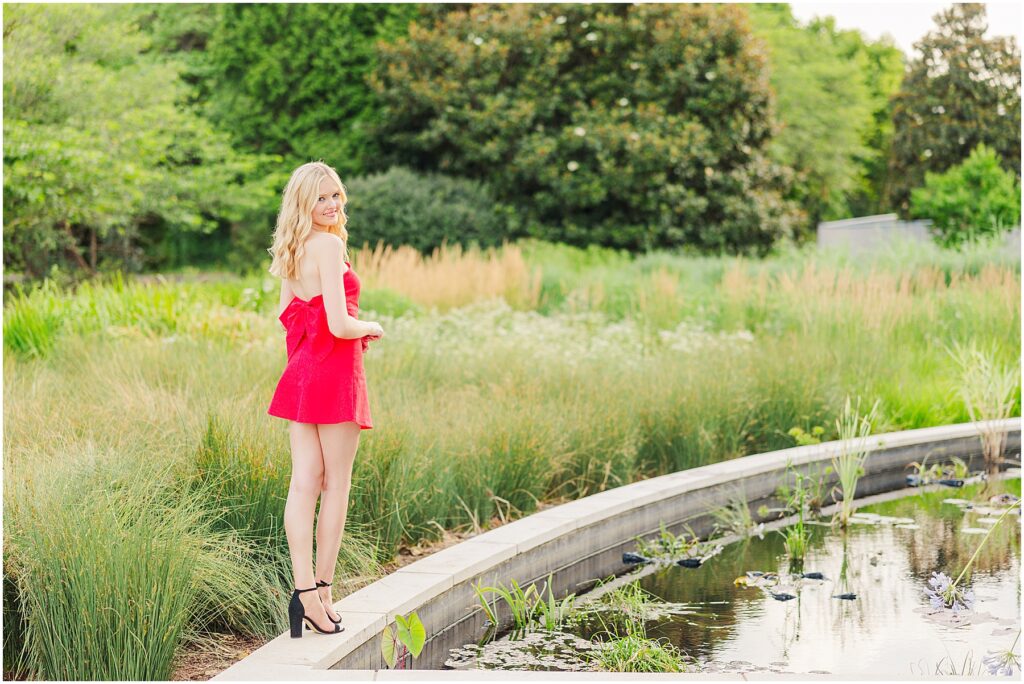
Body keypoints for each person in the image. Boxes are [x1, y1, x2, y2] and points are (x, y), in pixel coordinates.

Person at [266, 161, 384, 638]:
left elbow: (285, 314)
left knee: (303, 484)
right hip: (334, 374)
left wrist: (310, 346)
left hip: (301, 374)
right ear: (304, 203)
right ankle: (324, 591)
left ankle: (303, 595)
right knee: (335, 484)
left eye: (336, 195)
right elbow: (339, 323)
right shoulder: (331, 245)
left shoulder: (291, 249)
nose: (332, 205)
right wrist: (371, 326)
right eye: (322, 198)